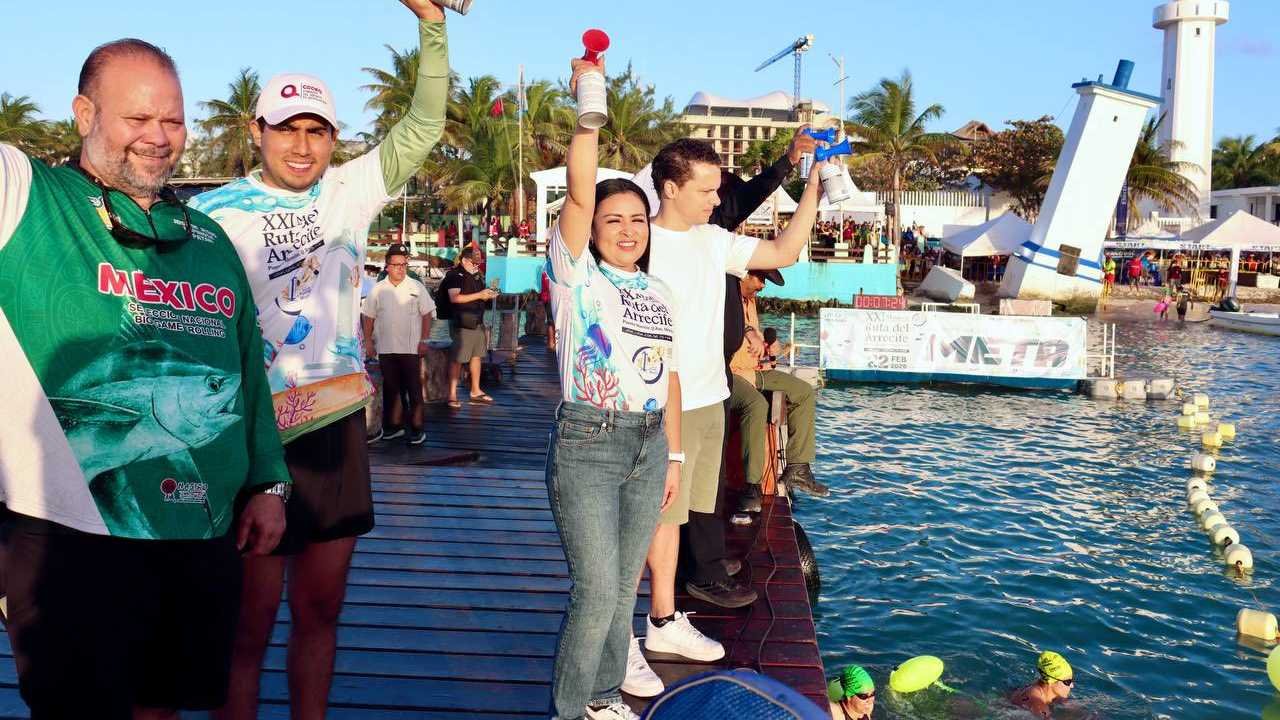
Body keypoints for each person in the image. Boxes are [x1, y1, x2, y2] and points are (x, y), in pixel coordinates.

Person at [0, 38, 289, 718]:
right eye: (137, 118)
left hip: (202, 527)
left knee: (166, 704)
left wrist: (269, 483)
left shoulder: (209, 239)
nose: (159, 137)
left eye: (173, 120)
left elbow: (246, 371)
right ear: (84, 114)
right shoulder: (25, 196)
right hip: (66, 530)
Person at [189, 3, 451, 718]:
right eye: (287, 129)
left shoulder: (349, 191)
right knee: (247, 625)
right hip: (252, 435)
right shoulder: (211, 213)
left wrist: (432, 25)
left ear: (334, 139)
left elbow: (425, 123)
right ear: (257, 131)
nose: (302, 146)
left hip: (333, 427)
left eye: (317, 131)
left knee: (320, 610)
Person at [641, 138, 824, 649]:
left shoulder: (714, 240)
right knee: (663, 513)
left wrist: (813, 186)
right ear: (670, 188)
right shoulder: (642, 244)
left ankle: (688, 588)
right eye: (705, 190)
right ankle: (658, 618)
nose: (716, 199)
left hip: (710, 394)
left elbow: (784, 251)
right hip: (665, 402)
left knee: (701, 502)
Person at [545, 56, 682, 720]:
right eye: (613, 220)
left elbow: (668, 377)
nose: (628, 230)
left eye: (638, 219)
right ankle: (570, 710)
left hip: (648, 446)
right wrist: (589, 112)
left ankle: (603, 697)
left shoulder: (659, 291)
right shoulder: (576, 276)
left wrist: (673, 457)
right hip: (589, 441)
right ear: (592, 231)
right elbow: (578, 193)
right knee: (596, 591)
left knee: (624, 589)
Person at [730, 269, 825, 513]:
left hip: (755, 371)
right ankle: (752, 486)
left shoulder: (751, 301)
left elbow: (752, 342)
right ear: (744, 274)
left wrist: (770, 348)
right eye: (760, 278)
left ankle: (798, 468)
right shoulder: (725, 295)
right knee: (757, 405)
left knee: (803, 391)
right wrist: (749, 333)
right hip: (730, 373)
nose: (763, 285)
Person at [362, 243, 435, 445]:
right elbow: (368, 316)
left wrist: (425, 340)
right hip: (386, 348)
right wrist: (368, 341)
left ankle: (418, 429)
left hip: (410, 348)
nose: (400, 269)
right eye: (396, 265)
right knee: (392, 389)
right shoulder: (378, 289)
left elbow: (427, 314)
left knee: (414, 389)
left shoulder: (416, 286)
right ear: (387, 266)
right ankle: (395, 427)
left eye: (404, 264)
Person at [439, 246, 499, 407]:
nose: (477, 266)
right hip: (461, 323)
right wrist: (480, 295)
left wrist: (487, 295)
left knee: (477, 355)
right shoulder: (454, 275)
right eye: (474, 263)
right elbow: (455, 298)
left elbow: (477, 296)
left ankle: (476, 390)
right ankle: (452, 394)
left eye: (478, 263)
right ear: (465, 260)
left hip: (477, 320)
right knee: (457, 359)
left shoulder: (477, 276)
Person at [1011, 651, 1075, 719]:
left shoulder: (1035, 688)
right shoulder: (1039, 706)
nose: (1072, 686)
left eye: (1072, 680)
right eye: (1067, 682)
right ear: (1051, 681)